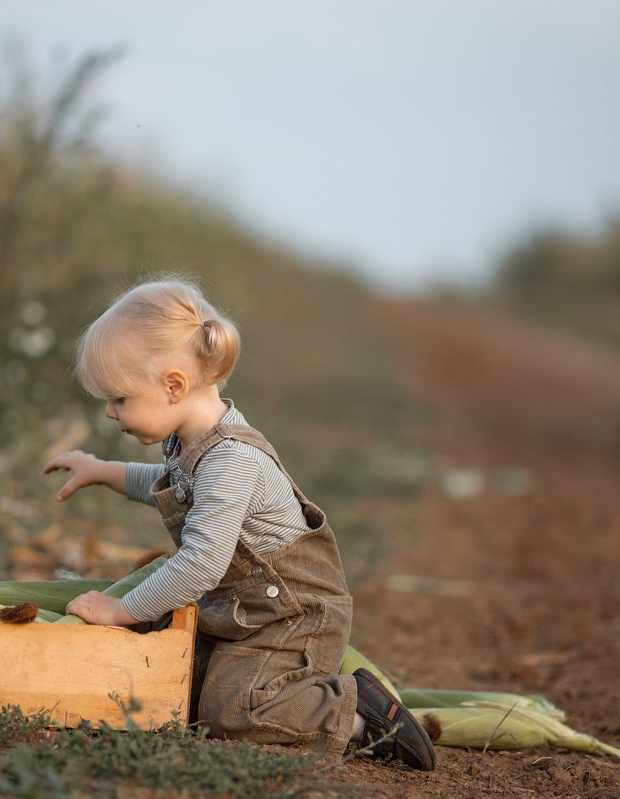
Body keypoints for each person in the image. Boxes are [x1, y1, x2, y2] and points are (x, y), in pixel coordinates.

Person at [43, 278, 435, 770]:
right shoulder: (191, 442)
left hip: (293, 616)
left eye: (119, 399)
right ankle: (298, 690)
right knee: (179, 679)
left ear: (173, 386)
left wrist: (121, 609)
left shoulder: (231, 459)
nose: (109, 411)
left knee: (230, 710)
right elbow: (168, 484)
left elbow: (202, 564)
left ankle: (357, 714)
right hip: (241, 612)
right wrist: (101, 471)